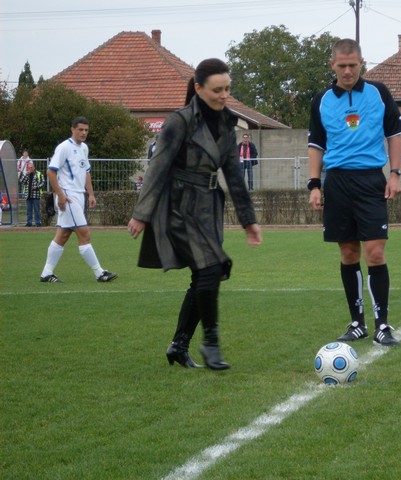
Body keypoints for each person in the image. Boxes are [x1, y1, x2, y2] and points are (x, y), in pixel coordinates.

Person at [128, 58, 262, 370]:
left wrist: (249, 221)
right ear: (199, 88)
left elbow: (234, 175)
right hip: (178, 206)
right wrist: (141, 213)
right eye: (217, 90)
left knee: (205, 274)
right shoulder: (179, 121)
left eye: (227, 88)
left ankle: (179, 345)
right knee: (212, 269)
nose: (224, 95)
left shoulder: (228, 124)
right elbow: (157, 167)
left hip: (209, 206)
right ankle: (210, 343)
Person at [308, 38, 401, 346]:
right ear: (332, 65)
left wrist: (395, 174)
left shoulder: (379, 93)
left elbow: (395, 134)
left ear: (362, 63)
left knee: (375, 252)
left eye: (353, 65)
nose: (347, 71)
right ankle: (357, 323)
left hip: (370, 180)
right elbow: (316, 145)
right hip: (337, 182)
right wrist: (314, 184)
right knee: (348, 253)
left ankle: (382, 325)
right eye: (342, 66)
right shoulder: (321, 100)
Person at [40, 117, 118, 283]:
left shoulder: (84, 148)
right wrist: (61, 195)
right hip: (68, 196)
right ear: (73, 129)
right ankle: (99, 273)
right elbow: (50, 172)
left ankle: (46, 273)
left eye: (86, 130)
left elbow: (86, 172)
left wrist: (91, 194)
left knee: (63, 235)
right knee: (84, 233)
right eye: (80, 130)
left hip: (79, 195)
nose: (83, 133)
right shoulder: (64, 147)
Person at [19, 161, 45, 227]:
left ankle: (38, 222)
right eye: (29, 167)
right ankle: (29, 222)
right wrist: (26, 174)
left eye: (31, 167)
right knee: (28, 210)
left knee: (36, 210)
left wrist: (37, 187)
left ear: (34, 168)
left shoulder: (39, 174)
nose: (30, 169)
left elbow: (43, 182)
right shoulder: (27, 174)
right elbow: (22, 181)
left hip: (36, 195)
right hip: (28, 195)